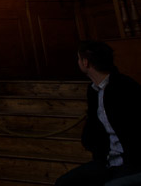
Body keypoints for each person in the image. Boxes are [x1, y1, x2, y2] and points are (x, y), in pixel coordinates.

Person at [54, 41, 141, 186]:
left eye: (79, 58)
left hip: (131, 163)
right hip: (106, 161)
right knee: (64, 182)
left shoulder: (125, 87)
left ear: (85, 62)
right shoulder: (93, 91)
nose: (78, 62)